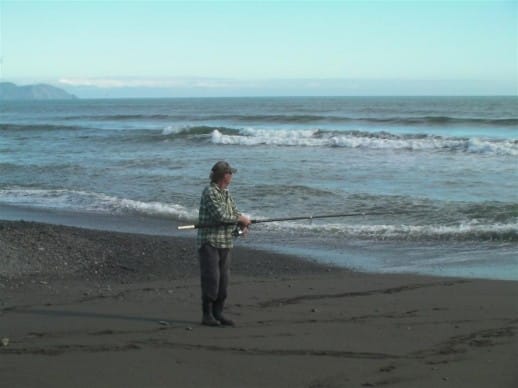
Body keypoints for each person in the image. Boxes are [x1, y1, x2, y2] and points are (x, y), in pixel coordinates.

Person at [197, 161, 251, 326]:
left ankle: (218, 313)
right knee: (211, 280)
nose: (232, 176)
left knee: (223, 283)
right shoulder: (210, 192)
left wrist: (241, 226)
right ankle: (207, 316)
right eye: (230, 173)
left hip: (226, 242)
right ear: (224, 175)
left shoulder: (226, 193)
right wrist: (241, 219)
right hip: (210, 242)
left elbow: (234, 213)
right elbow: (220, 215)